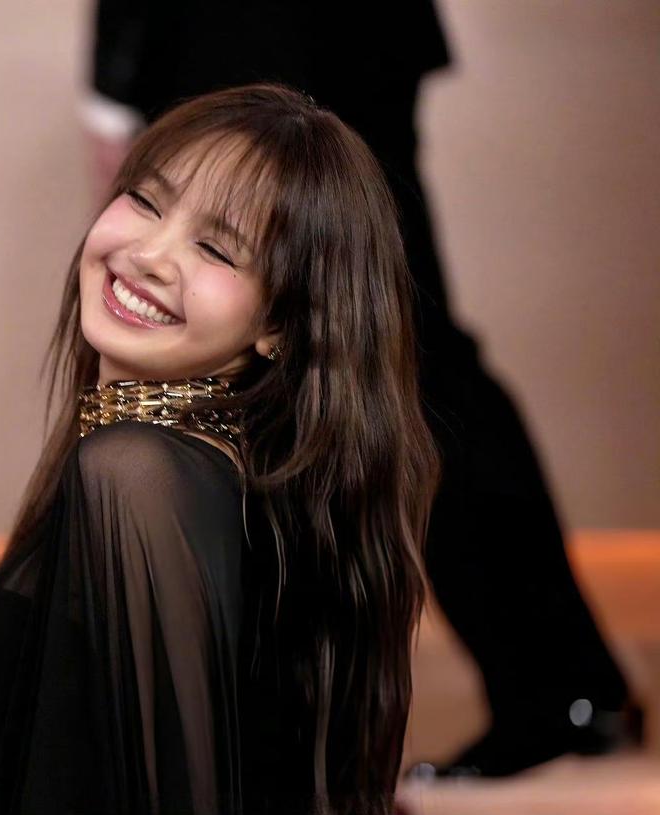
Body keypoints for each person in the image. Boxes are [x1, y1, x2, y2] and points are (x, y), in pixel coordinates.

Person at [83, 1, 644, 778]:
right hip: (320, 34)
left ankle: (550, 686)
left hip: (274, 33)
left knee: (402, 359)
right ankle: (546, 684)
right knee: (375, 360)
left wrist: (112, 82)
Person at [0, 84, 440, 815]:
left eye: (216, 248)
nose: (150, 254)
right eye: (146, 201)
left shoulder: (139, 475)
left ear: (280, 326)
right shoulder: (185, 473)